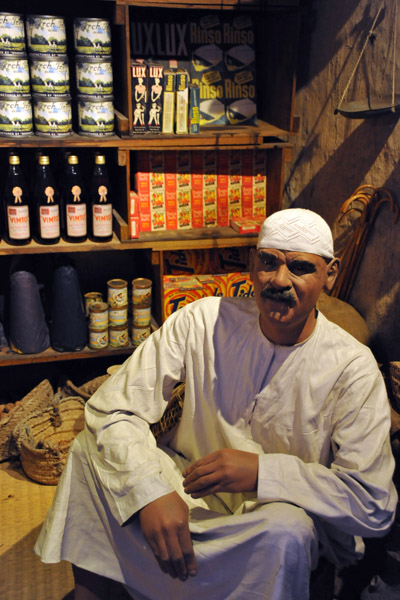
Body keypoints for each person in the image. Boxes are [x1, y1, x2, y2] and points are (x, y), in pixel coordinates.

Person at [35, 208, 398, 600]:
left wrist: (264, 473)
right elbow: (112, 408)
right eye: (268, 262)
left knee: (288, 531)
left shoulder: (353, 367)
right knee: (89, 451)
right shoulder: (203, 321)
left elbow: (372, 503)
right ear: (250, 265)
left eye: (299, 267)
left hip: (262, 522)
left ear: (331, 274)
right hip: (185, 489)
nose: (279, 280)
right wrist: (149, 489)